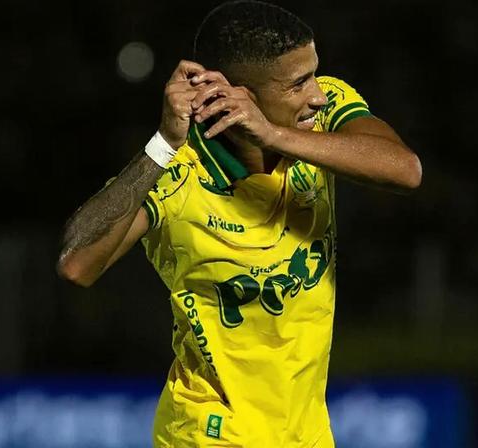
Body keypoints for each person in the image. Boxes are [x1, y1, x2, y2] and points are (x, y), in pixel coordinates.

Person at [57, 1, 422, 446]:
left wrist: (273, 133)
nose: (318, 94)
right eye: (297, 84)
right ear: (238, 93)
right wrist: (163, 143)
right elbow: (77, 264)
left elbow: (405, 170)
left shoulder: (320, 116)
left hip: (305, 433)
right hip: (211, 430)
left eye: (313, 74)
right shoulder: (179, 173)